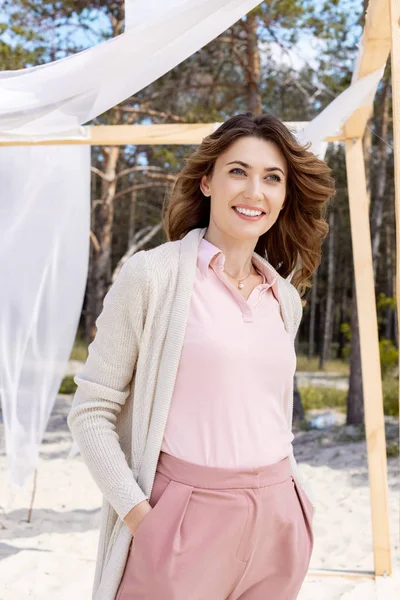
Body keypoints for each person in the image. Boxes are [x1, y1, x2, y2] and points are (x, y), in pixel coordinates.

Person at [67, 112, 335, 600]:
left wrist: (298, 506)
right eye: (238, 171)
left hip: (278, 519)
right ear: (208, 181)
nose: (255, 191)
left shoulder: (284, 298)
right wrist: (141, 518)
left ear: (285, 196)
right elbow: (90, 411)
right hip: (181, 520)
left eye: (272, 178)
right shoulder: (152, 277)